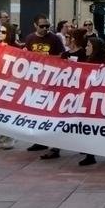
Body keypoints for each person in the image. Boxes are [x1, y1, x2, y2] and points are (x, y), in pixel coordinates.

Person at [40, 28, 88, 160]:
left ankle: (85, 147)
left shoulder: (83, 54)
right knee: (58, 120)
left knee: (79, 121)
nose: (65, 38)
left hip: (79, 93)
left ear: (73, 39)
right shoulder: (65, 55)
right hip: (65, 93)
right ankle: (54, 148)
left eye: (67, 36)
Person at [22, 14, 65, 152]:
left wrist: (47, 58)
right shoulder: (29, 38)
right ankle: (38, 141)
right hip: (35, 80)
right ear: (35, 25)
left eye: (47, 26)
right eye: (42, 26)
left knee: (49, 111)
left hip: (51, 80)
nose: (45, 28)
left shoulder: (54, 38)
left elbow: (62, 56)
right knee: (35, 111)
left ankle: (51, 140)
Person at [78, 37, 105, 166]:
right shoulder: (86, 62)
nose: (86, 48)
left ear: (94, 49)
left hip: (100, 101)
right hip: (88, 100)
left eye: (89, 46)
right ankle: (90, 154)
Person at [0, 23, 18, 150]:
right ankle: (2, 137)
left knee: (8, 112)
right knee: (0, 112)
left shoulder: (15, 48)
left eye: (4, 32)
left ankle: (10, 138)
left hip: (10, 84)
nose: (0, 34)